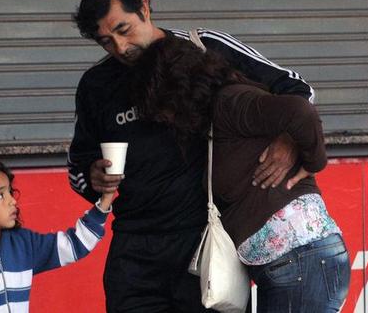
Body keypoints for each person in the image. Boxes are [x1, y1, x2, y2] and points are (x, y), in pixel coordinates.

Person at [68, 0, 315, 312]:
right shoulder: (96, 86)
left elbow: (296, 88)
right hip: (133, 255)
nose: (121, 47)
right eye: (106, 42)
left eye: (124, 30)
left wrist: (289, 143)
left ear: (144, 6)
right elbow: (78, 167)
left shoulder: (204, 47)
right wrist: (92, 175)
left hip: (205, 243)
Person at [130, 36, 351, 312]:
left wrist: (313, 162)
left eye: (161, 105)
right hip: (291, 266)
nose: (163, 117)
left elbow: (300, 110)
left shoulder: (231, 101)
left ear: (178, 88)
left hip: (301, 262)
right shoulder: (215, 121)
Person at [0, 160, 114, 312]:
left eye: (10, 192)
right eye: (0, 195)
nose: (12, 200)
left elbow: (74, 245)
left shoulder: (23, 244)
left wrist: (106, 198)